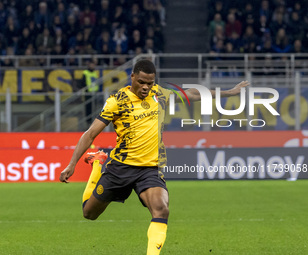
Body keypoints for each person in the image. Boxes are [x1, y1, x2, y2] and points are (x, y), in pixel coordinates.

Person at [59, 59, 249, 255]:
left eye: (149, 82)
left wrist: (229, 92)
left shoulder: (159, 93)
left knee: (161, 209)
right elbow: (90, 133)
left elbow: (192, 94)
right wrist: (72, 164)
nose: (145, 87)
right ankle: (97, 163)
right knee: (89, 213)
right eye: (141, 82)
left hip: (149, 169)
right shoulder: (117, 101)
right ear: (132, 77)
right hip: (120, 167)